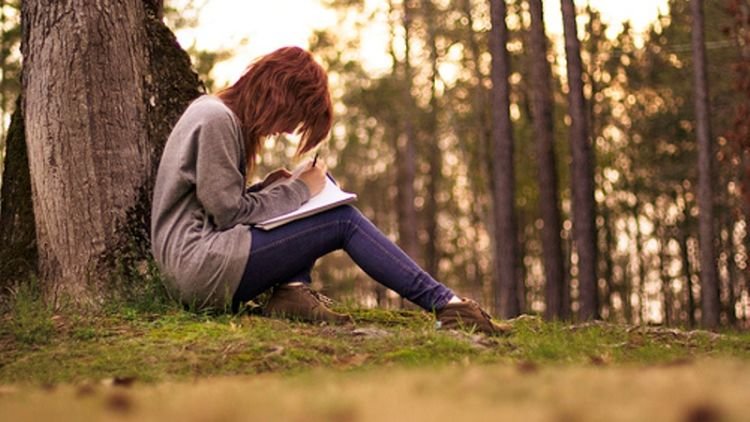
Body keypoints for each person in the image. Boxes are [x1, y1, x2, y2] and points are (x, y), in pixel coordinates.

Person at [150, 46, 508, 335]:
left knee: (316, 198)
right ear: (280, 95)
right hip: (198, 267)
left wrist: (274, 189)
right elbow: (227, 213)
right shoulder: (216, 118)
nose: (287, 130)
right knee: (341, 219)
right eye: (294, 118)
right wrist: (298, 191)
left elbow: (218, 204)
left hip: (202, 263)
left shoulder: (217, 116)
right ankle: (447, 305)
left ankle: (291, 294)